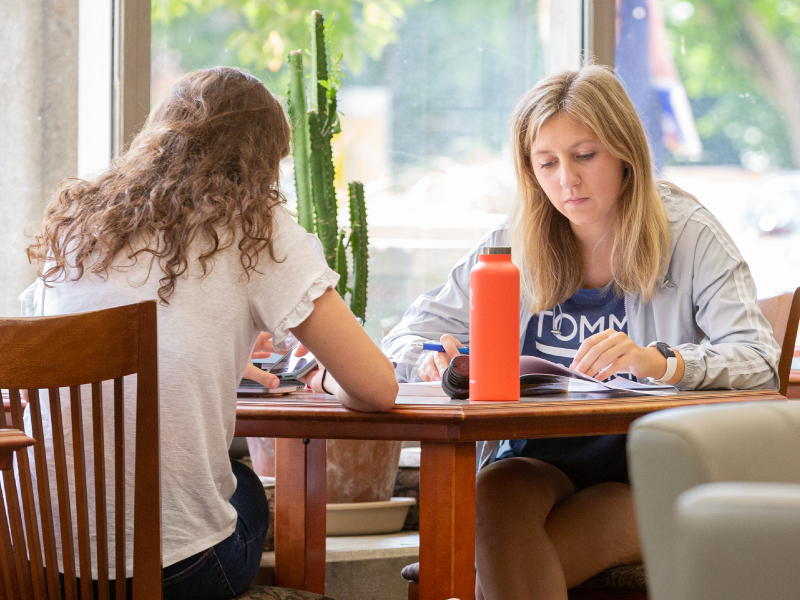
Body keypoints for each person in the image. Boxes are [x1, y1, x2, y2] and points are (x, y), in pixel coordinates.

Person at [380, 64, 780, 600]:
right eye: (546, 163)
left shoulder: (688, 233)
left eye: (585, 156)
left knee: (485, 575)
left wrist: (661, 362)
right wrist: (426, 356)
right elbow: (407, 334)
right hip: (541, 461)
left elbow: (760, 356)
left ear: (624, 151)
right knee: (491, 493)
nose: (566, 178)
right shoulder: (512, 241)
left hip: (650, 468)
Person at [22, 66, 397, 599]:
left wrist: (209, 355)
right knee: (242, 486)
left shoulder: (78, 225)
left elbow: (38, 357)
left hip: (38, 566)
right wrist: (328, 380)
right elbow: (378, 387)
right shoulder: (255, 226)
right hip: (174, 575)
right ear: (265, 160)